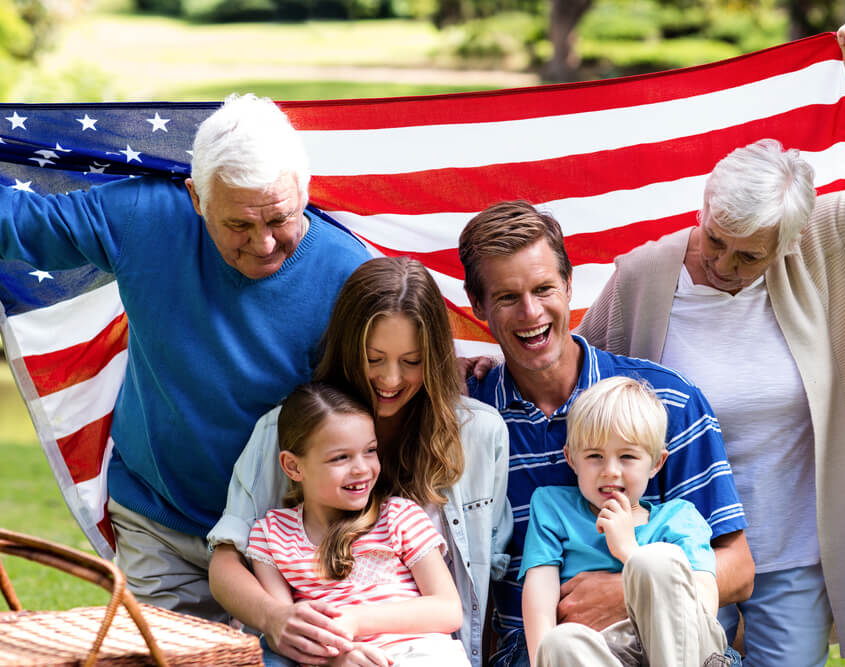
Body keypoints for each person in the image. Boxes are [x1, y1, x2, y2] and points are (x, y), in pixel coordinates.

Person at [575, 23, 845, 664]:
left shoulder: (828, 241)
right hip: (676, 555)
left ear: (787, 243)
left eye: (747, 255)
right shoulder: (646, 276)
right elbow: (581, 380)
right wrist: (493, 373)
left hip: (792, 556)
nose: (722, 262)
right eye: (715, 238)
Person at [0, 93, 370, 622]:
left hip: (286, 535)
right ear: (197, 198)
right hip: (160, 522)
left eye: (280, 219)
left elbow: (392, 392)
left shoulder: (348, 274)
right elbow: (22, 223)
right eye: (239, 225)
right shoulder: (145, 216)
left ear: (304, 194)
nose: (263, 243)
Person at [458, 200, 752, 667]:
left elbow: (737, 566)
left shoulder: (666, 401)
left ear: (569, 286)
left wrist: (630, 590)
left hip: (666, 641)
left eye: (544, 289)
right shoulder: (467, 423)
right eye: (508, 297)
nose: (531, 312)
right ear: (478, 305)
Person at [208, 256, 512, 666]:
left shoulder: (478, 434)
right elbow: (227, 560)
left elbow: (483, 584)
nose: (390, 379)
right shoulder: (282, 429)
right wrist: (276, 618)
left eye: (412, 361)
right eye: (374, 359)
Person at [246, 381, 470, 667]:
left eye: (370, 450)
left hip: (421, 655)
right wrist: (338, 659)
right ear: (293, 466)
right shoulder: (272, 536)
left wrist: (354, 620)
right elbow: (288, 632)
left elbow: (448, 610)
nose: (362, 469)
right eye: (341, 457)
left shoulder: (399, 517)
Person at [520, 376, 727, 667]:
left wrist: (630, 550)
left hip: (683, 651)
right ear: (571, 458)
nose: (611, 471)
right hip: (602, 653)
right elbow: (540, 595)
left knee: (655, 560)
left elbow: (704, 603)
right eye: (594, 456)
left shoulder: (680, 518)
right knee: (558, 642)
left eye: (628, 456)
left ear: (656, 462)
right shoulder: (553, 508)